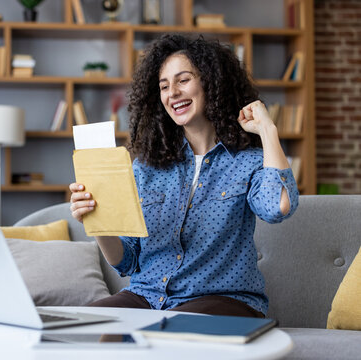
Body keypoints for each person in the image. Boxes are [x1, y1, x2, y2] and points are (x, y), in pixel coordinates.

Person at [69, 34, 299, 318]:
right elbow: (126, 261)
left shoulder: (249, 161)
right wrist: (97, 221)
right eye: (164, 86)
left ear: (211, 83)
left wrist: (267, 131)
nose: (172, 92)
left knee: (173, 334)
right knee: (79, 325)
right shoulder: (147, 168)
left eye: (183, 80)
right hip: (148, 296)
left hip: (222, 299)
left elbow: (279, 207)